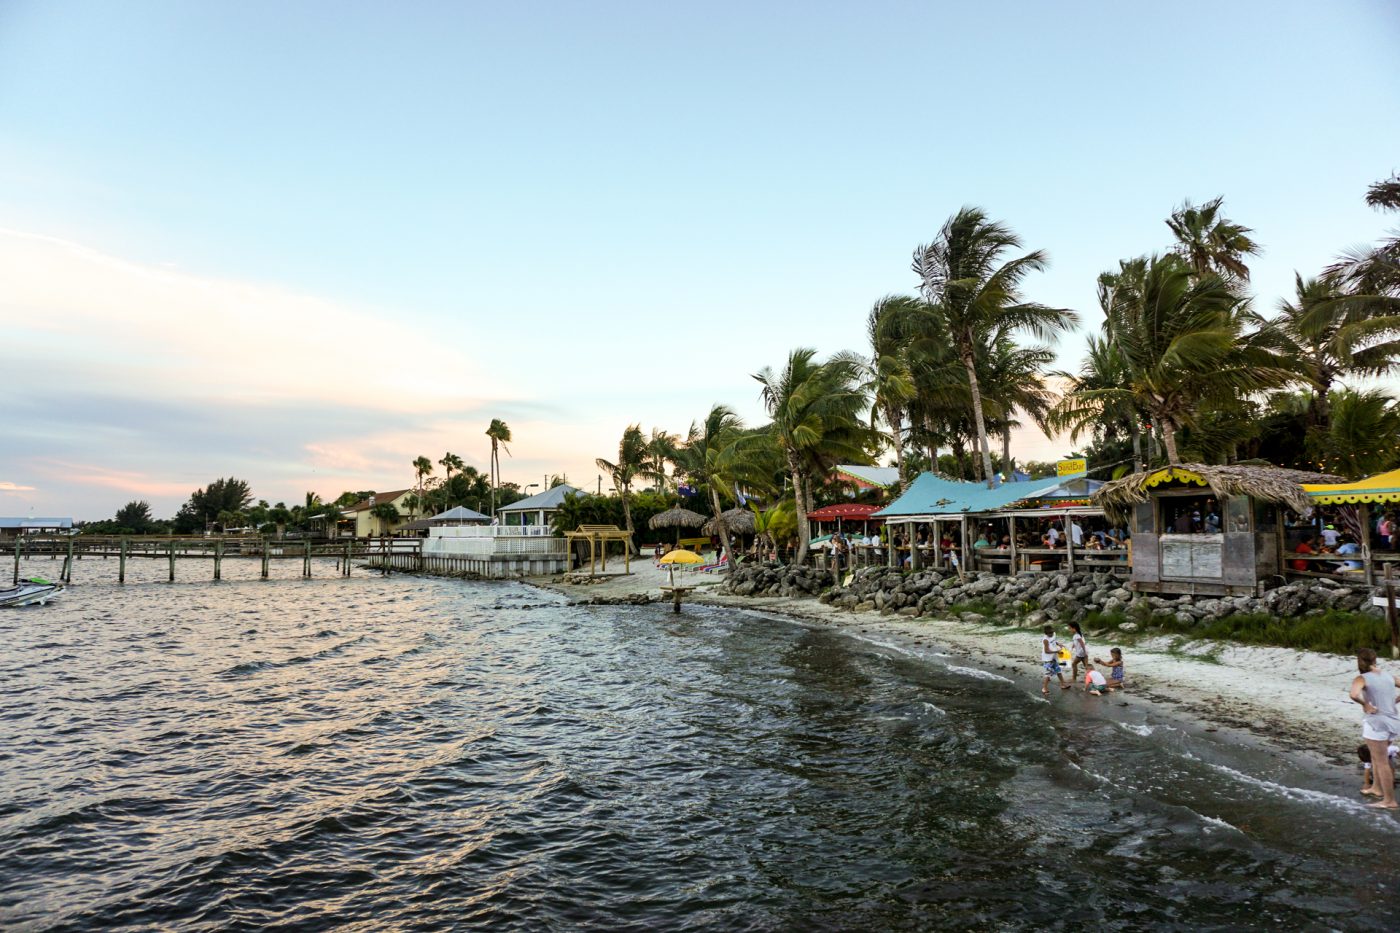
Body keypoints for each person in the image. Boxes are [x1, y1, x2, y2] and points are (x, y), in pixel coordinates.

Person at [1350, 648, 1400, 809]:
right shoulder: (1388, 675)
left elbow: (1353, 694)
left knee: (1381, 760)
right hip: (1393, 720)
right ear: (1374, 660)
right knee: (1378, 756)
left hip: (1377, 722)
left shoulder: (1361, 678)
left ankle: (1389, 801)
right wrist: (1395, 701)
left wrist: (1366, 704)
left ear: (1360, 661)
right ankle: (1377, 788)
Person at [1041, 624, 1071, 695]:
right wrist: (1057, 651)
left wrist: (1059, 644)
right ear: (1046, 633)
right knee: (1048, 674)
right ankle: (1044, 688)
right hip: (1047, 658)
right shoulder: (1045, 640)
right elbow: (1046, 651)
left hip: (1054, 657)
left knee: (1058, 670)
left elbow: (1054, 641)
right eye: (1049, 634)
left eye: (1051, 632)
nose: (1051, 634)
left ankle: (1063, 684)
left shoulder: (1054, 634)